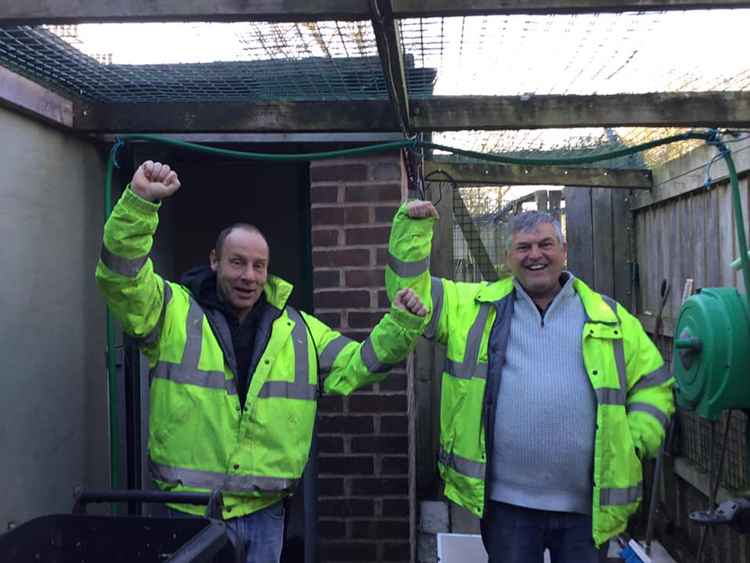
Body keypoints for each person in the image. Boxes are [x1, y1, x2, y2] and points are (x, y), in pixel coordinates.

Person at [96, 161, 428, 563]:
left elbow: (358, 364)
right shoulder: (171, 313)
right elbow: (122, 278)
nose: (249, 276)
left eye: (259, 265)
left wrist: (402, 324)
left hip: (265, 513)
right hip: (190, 513)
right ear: (215, 260)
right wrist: (139, 204)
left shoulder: (300, 331)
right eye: (237, 262)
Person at [385, 200, 674, 563]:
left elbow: (654, 381)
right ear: (508, 257)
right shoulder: (474, 308)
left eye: (545, 244)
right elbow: (411, 296)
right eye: (523, 247)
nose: (535, 255)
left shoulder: (609, 316)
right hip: (509, 508)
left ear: (563, 252)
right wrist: (412, 233)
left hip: (586, 509)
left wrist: (634, 441)